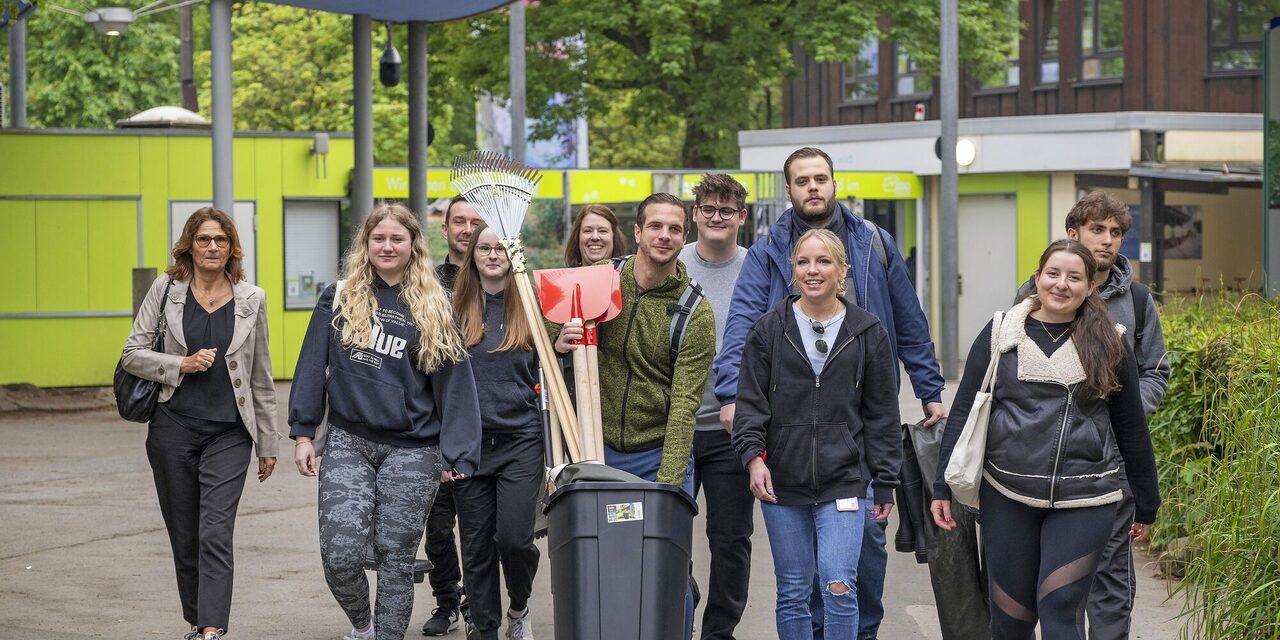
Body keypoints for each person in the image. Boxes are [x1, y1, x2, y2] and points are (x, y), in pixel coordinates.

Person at [715, 146, 945, 640]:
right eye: (802, 180)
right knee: (800, 576)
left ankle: (860, 631)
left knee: (863, 547)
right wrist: (731, 394)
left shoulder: (873, 243)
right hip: (791, 424)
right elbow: (742, 326)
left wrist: (930, 389)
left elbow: (909, 319)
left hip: (857, 425)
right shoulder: (769, 250)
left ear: (834, 183)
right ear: (790, 190)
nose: (813, 187)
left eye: (821, 178)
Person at [932, 240, 1160, 640]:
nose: (1061, 284)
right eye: (1053, 274)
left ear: (1090, 287)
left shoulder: (1111, 341)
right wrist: (941, 486)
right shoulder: (1002, 331)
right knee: (1011, 619)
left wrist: (1147, 501)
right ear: (1037, 278)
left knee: (1059, 608)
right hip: (1007, 493)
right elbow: (966, 410)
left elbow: (1131, 429)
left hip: (1086, 499)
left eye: (1074, 277)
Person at [289, 203, 482, 640]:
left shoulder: (435, 305)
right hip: (349, 441)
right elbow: (309, 366)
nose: (388, 246)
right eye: (379, 238)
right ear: (366, 244)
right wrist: (303, 432)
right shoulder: (338, 296)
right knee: (339, 554)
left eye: (398, 238)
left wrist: (459, 451)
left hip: (414, 450)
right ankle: (363, 627)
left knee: (396, 558)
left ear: (414, 245)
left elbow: (455, 385)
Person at [555, 192, 714, 639]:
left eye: (675, 229)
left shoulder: (694, 310)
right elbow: (545, 325)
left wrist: (668, 482)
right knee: (603, 563)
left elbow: (685, 404)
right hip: (596, 449)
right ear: (639, 232)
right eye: (656, 226)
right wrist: (559, 338)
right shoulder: (600, 281)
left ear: (685, 238)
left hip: (657, 453)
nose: (665, 235)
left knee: (665, 566)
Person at [732, 229, 902, 640]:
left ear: (842, 270)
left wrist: (885, 483)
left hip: (845, 478)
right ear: (792, 271)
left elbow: (882, 414)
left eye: (823, 261)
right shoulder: (768, 329)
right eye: (803, 262)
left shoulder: (867, 330)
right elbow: (750, 403)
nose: (813, 270)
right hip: (781, 480)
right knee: (793, 590)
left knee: (839, 585)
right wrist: (754, 458)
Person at [1014, 191, 1169, 640]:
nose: (1107, 240)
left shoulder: (1137, 300)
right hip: (1044, 463)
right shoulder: (1034, 294)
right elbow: (1011, 370)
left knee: (1111, 581)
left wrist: (1119, 414)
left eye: (1116, 233)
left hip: (1113, 462)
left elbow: (1156, 372)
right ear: (1073, 233)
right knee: (1055, 582)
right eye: (1097, 230)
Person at [120, 207, 280, 640]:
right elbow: (132, 354)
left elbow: (262, 375)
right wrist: (181, 363)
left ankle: (211, 628)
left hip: (230, 433)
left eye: (221, 240)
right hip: (173, 427)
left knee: (214, 530)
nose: (213, 247)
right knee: (185, 534)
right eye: (205, 239)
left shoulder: (252, 298)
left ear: (232, 248)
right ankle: (197, 617)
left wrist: (268, 442)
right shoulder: (166, 289)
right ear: (189, 244)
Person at [451, 222, 544, 640]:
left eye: (500, 249)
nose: (492, 255)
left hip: (521, 439)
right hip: (469, 444)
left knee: (514, 540)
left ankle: (519, 606)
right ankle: (485, 628)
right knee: (475, 546)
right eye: (484, 249)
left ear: (513, 257)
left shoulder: (531, 305)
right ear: (472, 256)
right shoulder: (454, 308)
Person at [678, 174, 753, 640]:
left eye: (727, 210)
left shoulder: (759, 267)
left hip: (732, 431)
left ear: (741, 218)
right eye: (709, 208)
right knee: (668, 538)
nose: (717, 217)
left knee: (730, 541)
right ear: (695, 214)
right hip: (676, 427)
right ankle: (677, 615)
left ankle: (718, 632)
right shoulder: (674, 262)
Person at [422, 194, 484, 635]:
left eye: (474, 222)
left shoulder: (499, 279)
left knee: (483, 529)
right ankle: (447, 599)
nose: (465, 229)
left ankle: (483, 604)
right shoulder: (423, 283)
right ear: (444, 230)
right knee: (438, 524)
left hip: (491, 422)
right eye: (458, 222)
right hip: (434, 422)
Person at [564, 203, 628, 267]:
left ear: (614, 238)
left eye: (602, 231)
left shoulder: (628, 276)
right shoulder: (563, 277)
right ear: (577, 237)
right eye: (588, 231)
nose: (595, 237)